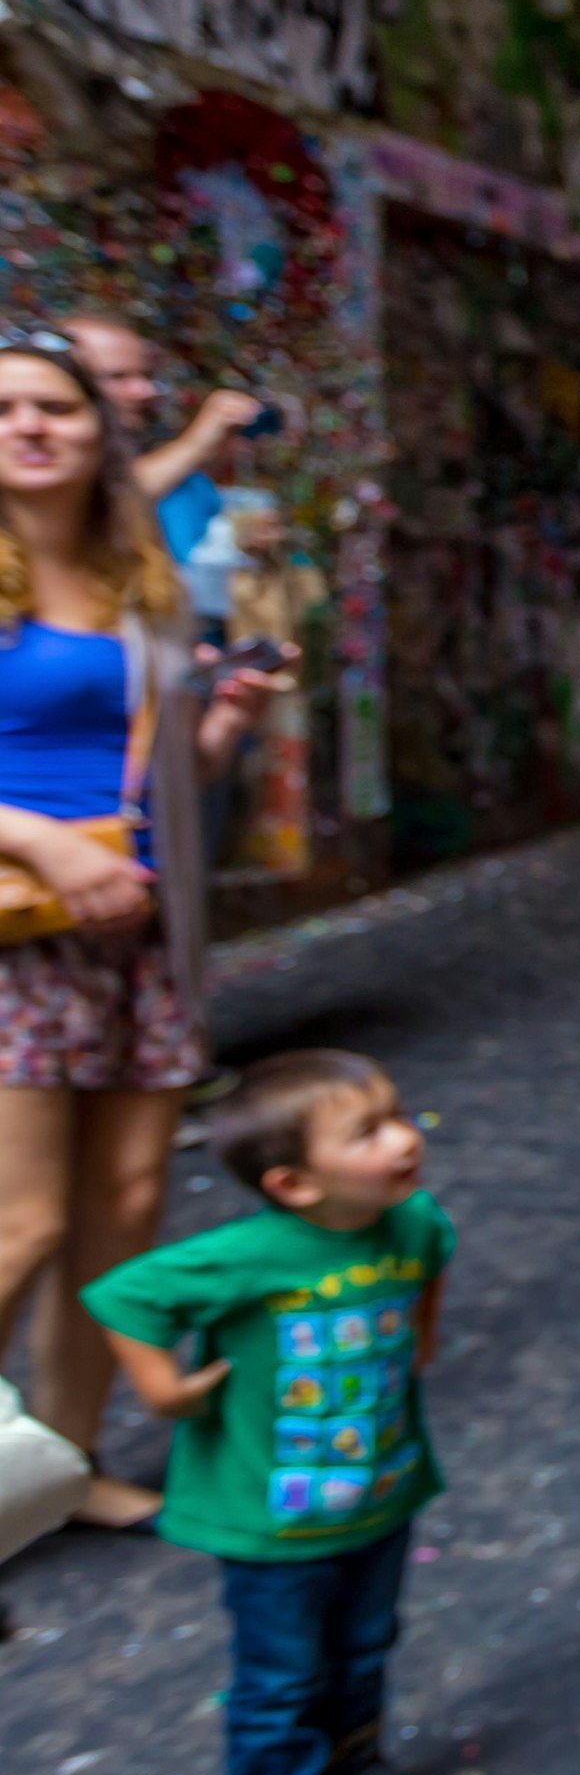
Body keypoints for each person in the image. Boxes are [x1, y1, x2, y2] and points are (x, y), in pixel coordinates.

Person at [0, 336, 278, 1532]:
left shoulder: (143, 579)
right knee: (26, 1219)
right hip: (17, 931)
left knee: (122, 1209)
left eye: (53, 407)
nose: (28, 426)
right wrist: (46, 842)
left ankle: (57, 1471)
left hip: (138, 926)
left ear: (96, 431)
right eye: (3, 408)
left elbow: (170, 768)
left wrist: (221, 729)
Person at [84, 1049, 459, 1775]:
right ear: (292, 1184)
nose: (405, 1139)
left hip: (381, 1494)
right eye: (369, 1132)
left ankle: (356, 1767)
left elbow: (434, 1258)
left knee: (365, 1645)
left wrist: (423, 1337)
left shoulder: (413, 1221)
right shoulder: (248, 1254)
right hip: (271, 1521)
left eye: (398, 1114)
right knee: (282, 1669)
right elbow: (121, 1296)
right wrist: (162, 1389)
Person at [63, 313, 263, 642]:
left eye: (146, 375)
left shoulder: (186, 483)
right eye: (117, 377)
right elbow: (102, 500)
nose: (143, 391)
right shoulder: (36, 474)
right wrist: (199, 439)